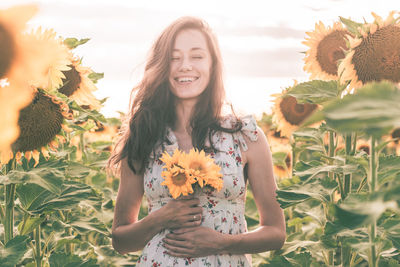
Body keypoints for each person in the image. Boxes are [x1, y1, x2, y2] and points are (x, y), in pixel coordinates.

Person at [109, 16, 286, 266]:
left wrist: (222, 242)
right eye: (174, 58)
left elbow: (276, 233)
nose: (185, 66)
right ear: (162, 66)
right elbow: (121, 240)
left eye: (197, 56)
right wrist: (161, 218)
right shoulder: (144, 135)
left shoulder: (245, 136)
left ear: (213, 65)